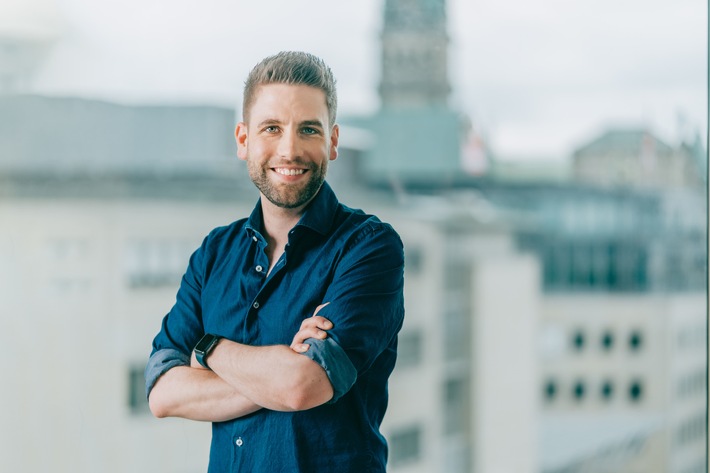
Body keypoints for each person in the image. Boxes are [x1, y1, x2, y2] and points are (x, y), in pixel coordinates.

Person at [144, 51, 405, 472]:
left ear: (332, 141)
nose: (290, 149)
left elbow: (304, 385)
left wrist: (207, 348)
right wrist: (281, 367)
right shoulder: (215, 253)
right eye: (272, 128)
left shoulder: (369, 248)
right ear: (243, 139)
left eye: (308, 129)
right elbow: (162, 392)